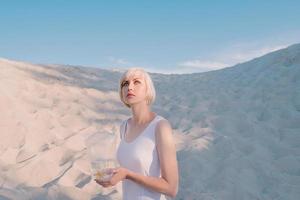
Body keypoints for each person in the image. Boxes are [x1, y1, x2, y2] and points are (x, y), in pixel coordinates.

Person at [95, 68, 179, 199]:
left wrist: (128, 175)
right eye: (125, 83)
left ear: (148, 89)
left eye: (137, 82)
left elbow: (171, 188)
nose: (130, 87)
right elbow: (131, 167)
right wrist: (114, 174)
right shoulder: (124, 127)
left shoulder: (160, 126)